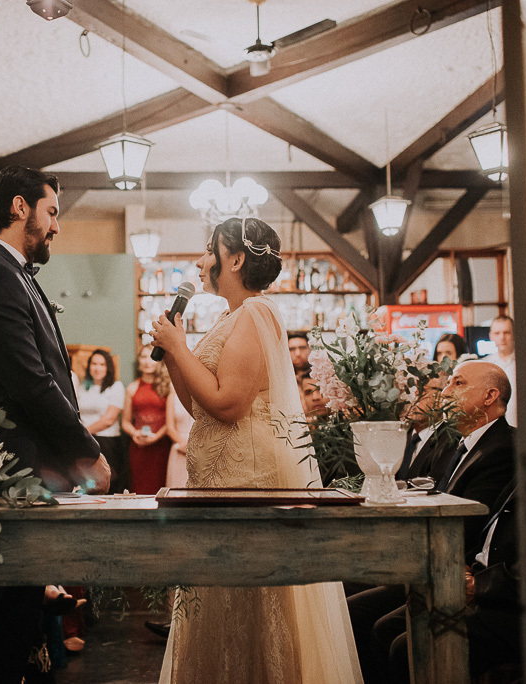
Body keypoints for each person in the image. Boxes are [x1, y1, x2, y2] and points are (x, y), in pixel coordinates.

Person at [150, 217, 361, 683]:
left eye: (210, 250)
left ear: (237, 259)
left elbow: (229, 404)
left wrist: (180, 348)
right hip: (215, 474)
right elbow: (197, 404)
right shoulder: (228, 317)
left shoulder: (256, 313)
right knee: (217, 599)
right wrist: (176, 351)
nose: (202, 260)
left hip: (244, 476)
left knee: (245, 597)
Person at [0, 165, 110, 683]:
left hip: (31, 469)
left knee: (21, 623)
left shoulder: (11, 273)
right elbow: (30, 382)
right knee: (7, 628)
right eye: (52, 212)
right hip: (18, 468)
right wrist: (86, 451)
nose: (56, 227)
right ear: (19, 207)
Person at [349, 360, 515, 681]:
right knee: (356, 608)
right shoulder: (455, 443)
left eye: (458, 383)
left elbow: (465, 525)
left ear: (490, 395)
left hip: (457, 568)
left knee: (383, 630)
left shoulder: (501, 447)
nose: (447, 393)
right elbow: (426, 493)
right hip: (437, 562)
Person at [121, 345, 172, 495]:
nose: (147, 361)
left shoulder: (167, 387)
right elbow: (125, 422)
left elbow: (170, 421)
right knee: (139, 489)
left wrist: (156, 437)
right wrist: (135, 434)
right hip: (139, 447)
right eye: (143, 357)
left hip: (161, 446)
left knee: (161, 489)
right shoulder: (132, 387)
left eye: (151, 357)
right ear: (138, 361)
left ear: (159, 361)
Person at [76, 349, 128, 493]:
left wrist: (83, 432)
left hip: (107, 442)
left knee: (107, 484)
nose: (97, 368)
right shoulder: (82, 387)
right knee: (88, 484)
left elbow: (109, 420)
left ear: (108, 367)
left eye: (102, 364)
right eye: (94, 364)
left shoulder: (115, 387)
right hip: (86, 441)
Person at [482, 315, 517, 426]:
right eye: (497, 333)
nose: (502, 337)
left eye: (506, 332)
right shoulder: (485, 365)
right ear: (491, 336)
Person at [165, 391, 194, 489]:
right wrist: (183, 444)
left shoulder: (204, 396)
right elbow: (170, 428)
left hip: (200, 448)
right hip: (179, 447)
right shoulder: (173, 397)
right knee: (177, 488)